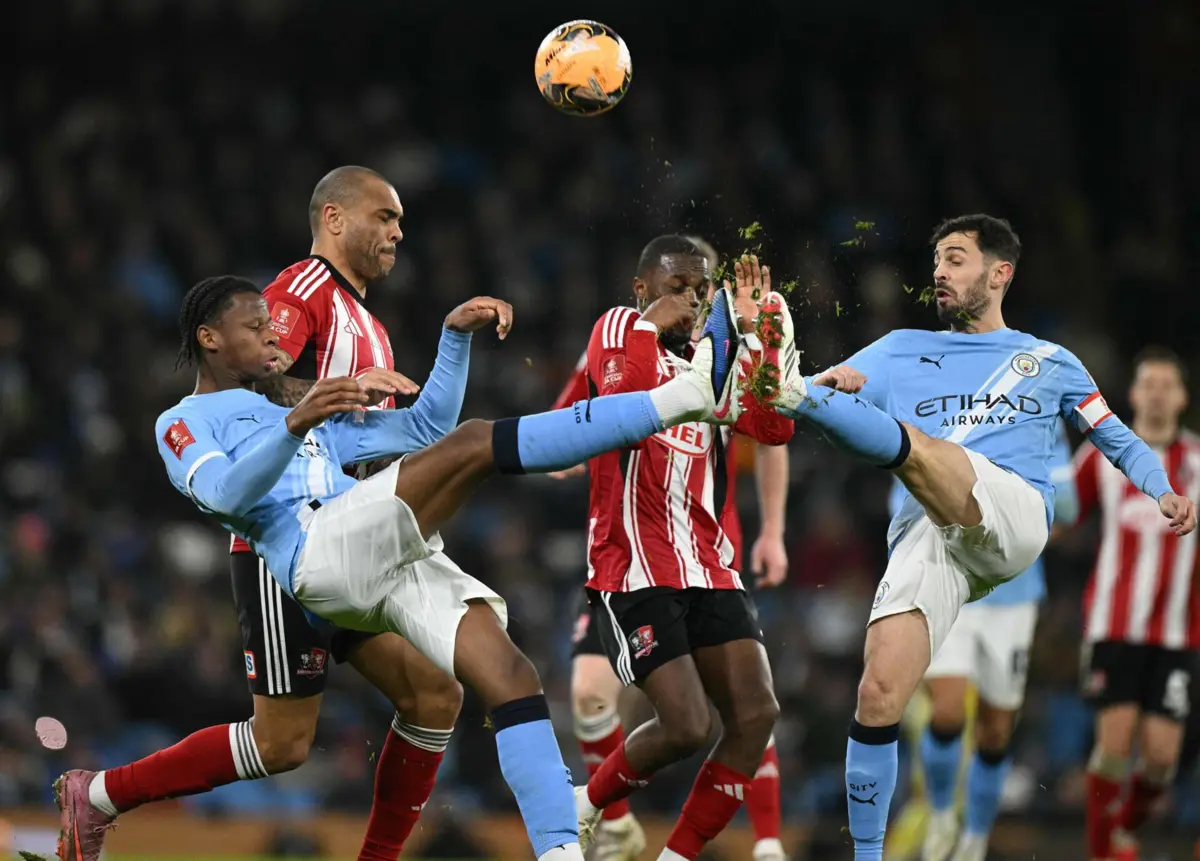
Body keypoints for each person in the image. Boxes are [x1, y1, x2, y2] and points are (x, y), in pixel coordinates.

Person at [54, 269, 745, 861]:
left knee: (508, 674)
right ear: (209, 338)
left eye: (272, 323)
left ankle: (561, 850)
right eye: (255, 325)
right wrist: (300, 421)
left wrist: (453, 337)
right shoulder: (187, 419)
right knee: (479, 445)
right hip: (317, 555)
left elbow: (425, 428)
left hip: (379, 551)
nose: (273, 335)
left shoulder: (300, 404)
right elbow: (224, 496)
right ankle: (683, 397)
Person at [743, 213, 1196, 861]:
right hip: (933, 532)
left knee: (924, 450)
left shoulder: (1049, 361)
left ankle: (974, 837)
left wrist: (1162, 490)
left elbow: (1115, 437)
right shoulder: (899, 348)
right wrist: (787, 383)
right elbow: (805, 403)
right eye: (936, 261)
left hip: (1013, 519)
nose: (939, 272)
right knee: (877, 692)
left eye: (955, 258)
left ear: (999, 272)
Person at [233, 165, 460, 861]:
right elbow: (247, 382)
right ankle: (101, 794)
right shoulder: (301, 290)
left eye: (400, 222)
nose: (398, 231)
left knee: (436, 694)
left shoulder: (374, 328)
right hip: (287, 542)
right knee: (281, 746)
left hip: (350, 544)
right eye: (385, 217)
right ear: (333, 219)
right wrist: (342, 387)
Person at [551, 240, 789, 861]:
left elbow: (773, 429)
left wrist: (764, 345)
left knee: (757, 714)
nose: (690, 297)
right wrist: (653, 323)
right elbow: (621, 400)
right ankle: (586, 804)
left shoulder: (722, 352)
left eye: (701, 286)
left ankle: (678, 854)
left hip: (710, 563)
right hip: (633, 567)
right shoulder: (618, 327)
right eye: (675, 283)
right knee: (686, 725)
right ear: (641, 288)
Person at [915, 417, 1078, 861]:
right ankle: (943, 815)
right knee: (946, 711)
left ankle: (975, 838)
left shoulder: (1038, 414)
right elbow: (907, 482)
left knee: (996, 729)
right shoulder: (936, 403)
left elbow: (1064, 506)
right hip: (948, 579)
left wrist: (1011, 532)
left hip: (1012, 595)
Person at [1072, 346, 1200, 861]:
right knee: (1114, 747)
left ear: (1183, 397)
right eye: (1148, 384)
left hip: (1177, 634)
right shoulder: (1104, 456)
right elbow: (1057, 515)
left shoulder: (1197, 463)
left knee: (1162, 761)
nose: (1157, 394)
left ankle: (1121, 827)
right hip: (1113, 628)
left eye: (1167, 385)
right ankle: (1103, 851)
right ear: (1132, 394)